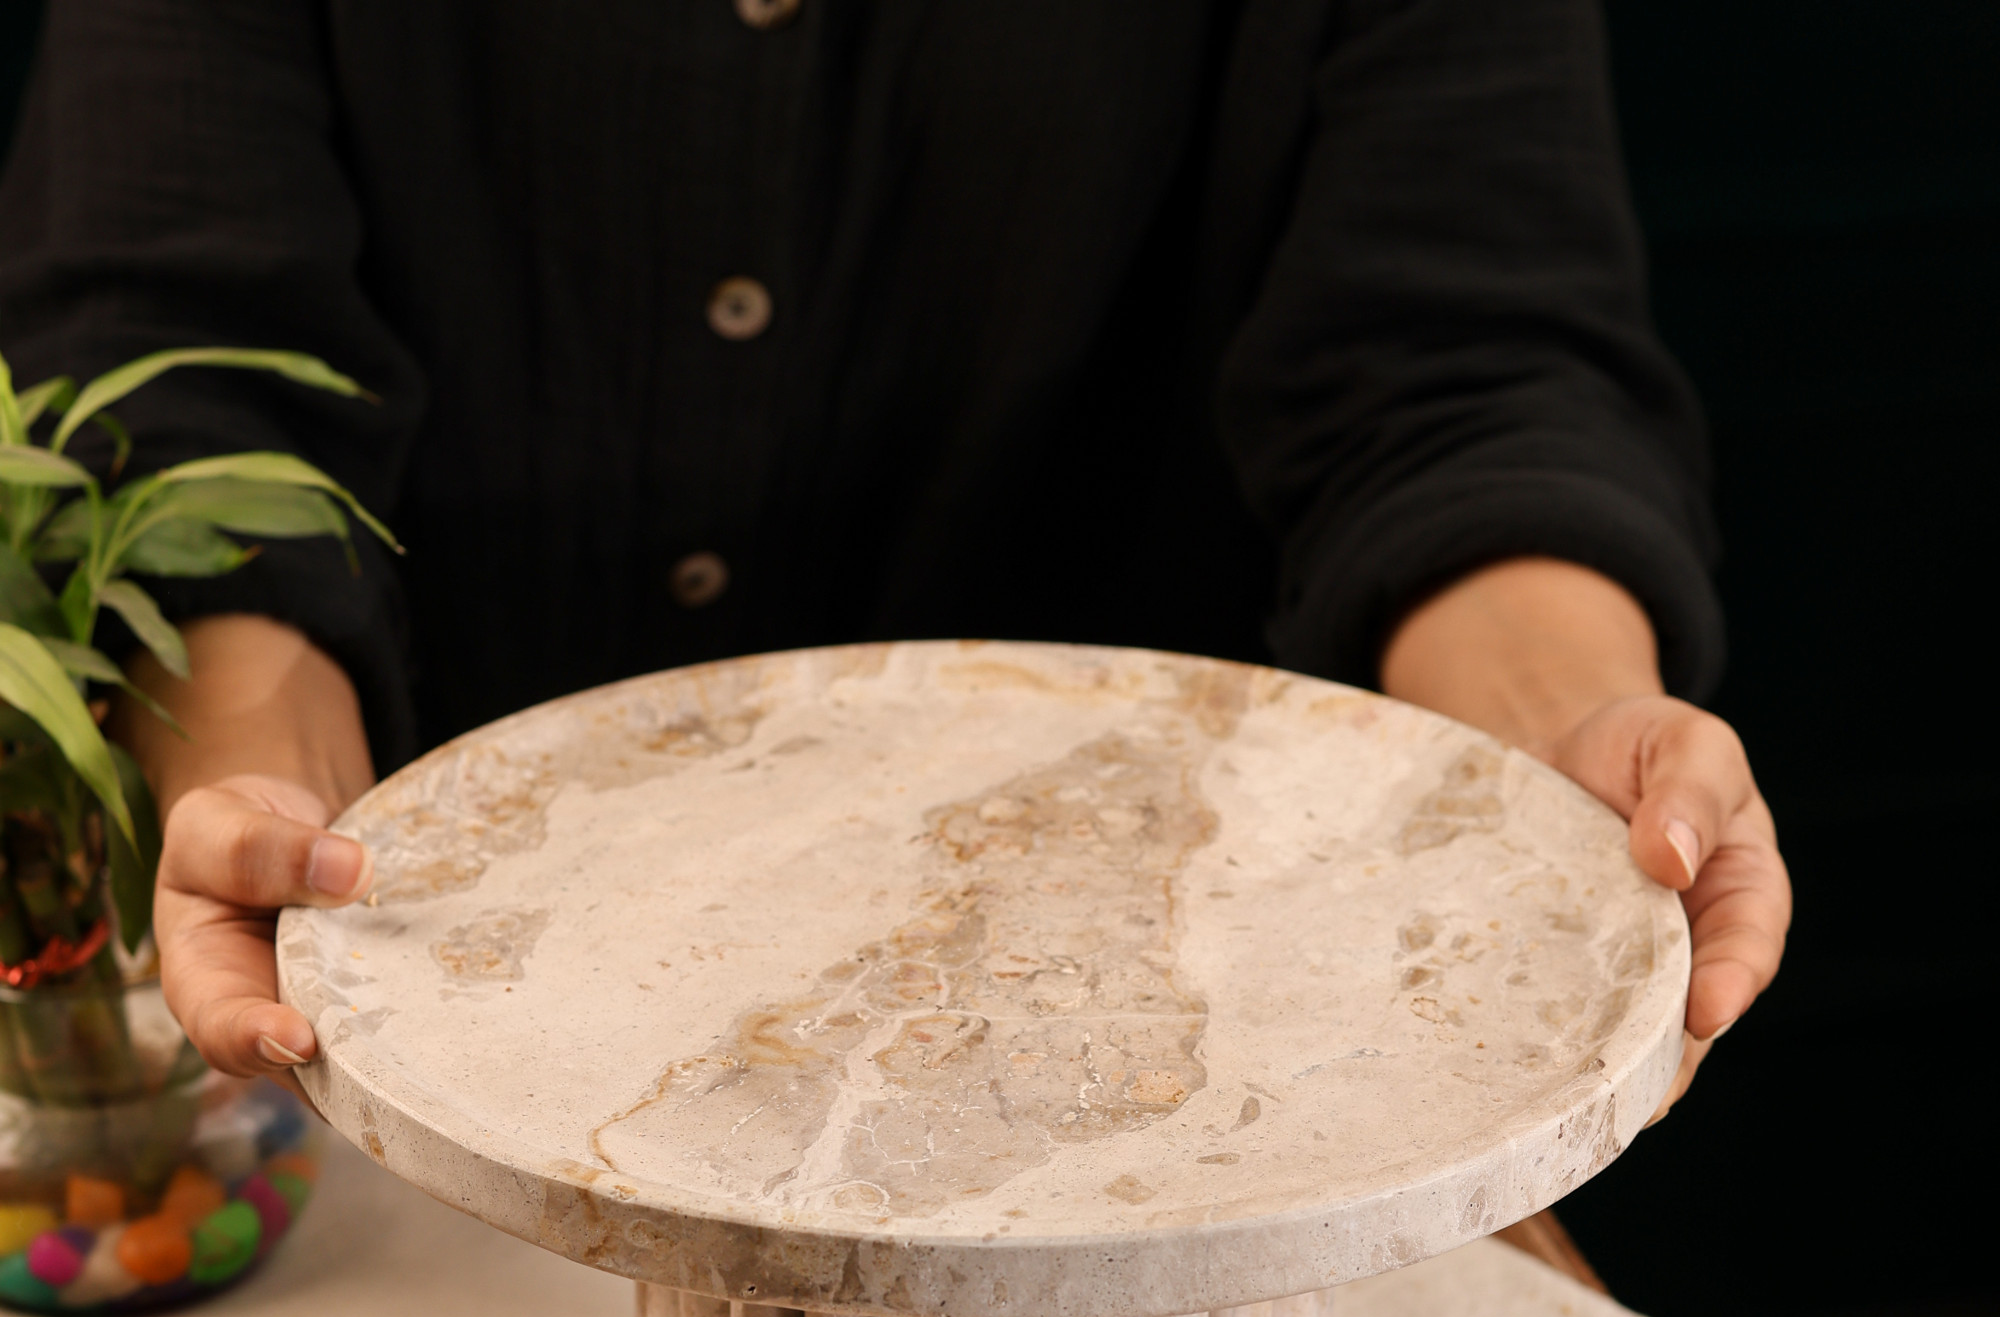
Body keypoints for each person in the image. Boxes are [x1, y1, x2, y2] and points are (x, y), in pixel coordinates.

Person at [0, 0, 1787, 1099]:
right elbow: (194, 382)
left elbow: (1461, 373)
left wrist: (1563, 745)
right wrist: (258, 803)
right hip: (431, 1045)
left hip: (1166, 1067)